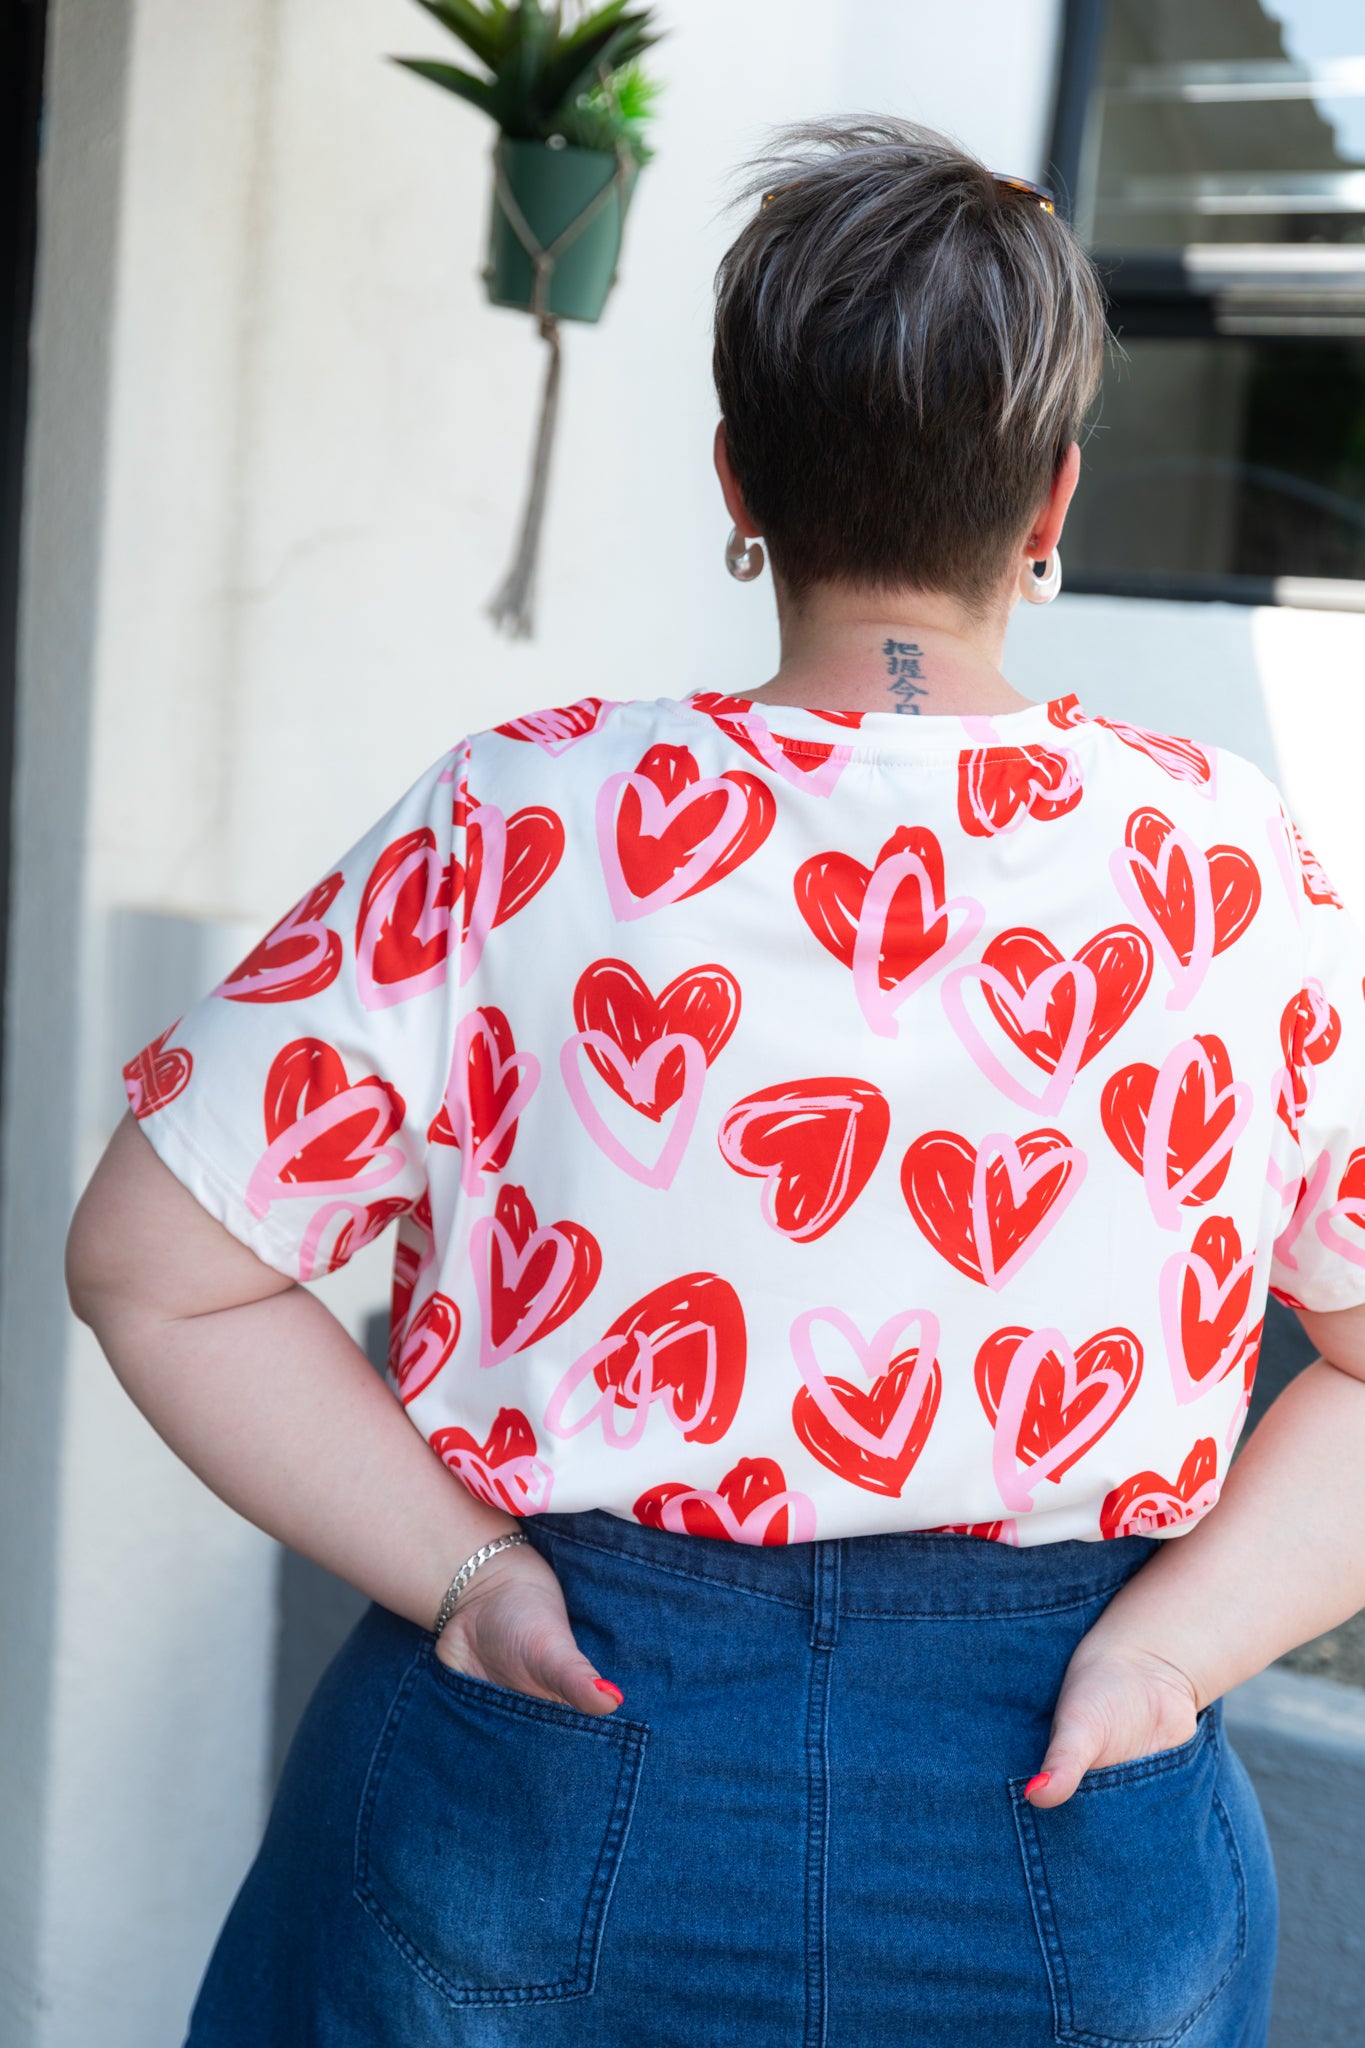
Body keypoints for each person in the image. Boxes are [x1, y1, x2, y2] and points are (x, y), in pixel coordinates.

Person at [65, 117, 1365, 2048]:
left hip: (548, 1745)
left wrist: (468, 1576)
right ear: (1052, 499)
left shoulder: (518, 821)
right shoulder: (1236, 865)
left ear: (737, 478)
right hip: (1066, 1787)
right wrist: (1172, 1654)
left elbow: (144, 1264)